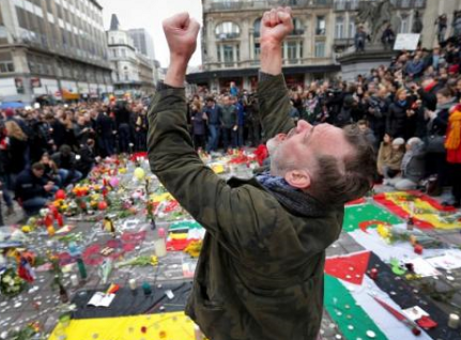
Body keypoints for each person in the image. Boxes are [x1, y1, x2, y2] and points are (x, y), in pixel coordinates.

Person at [148, 8, 376, 340]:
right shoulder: (327, 196)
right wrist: (270, 45)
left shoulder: (256, 217)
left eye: (307, 134)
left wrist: (178, 60)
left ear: (298, 178)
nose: (299, 124)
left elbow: (172, 158)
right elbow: (282, 125)